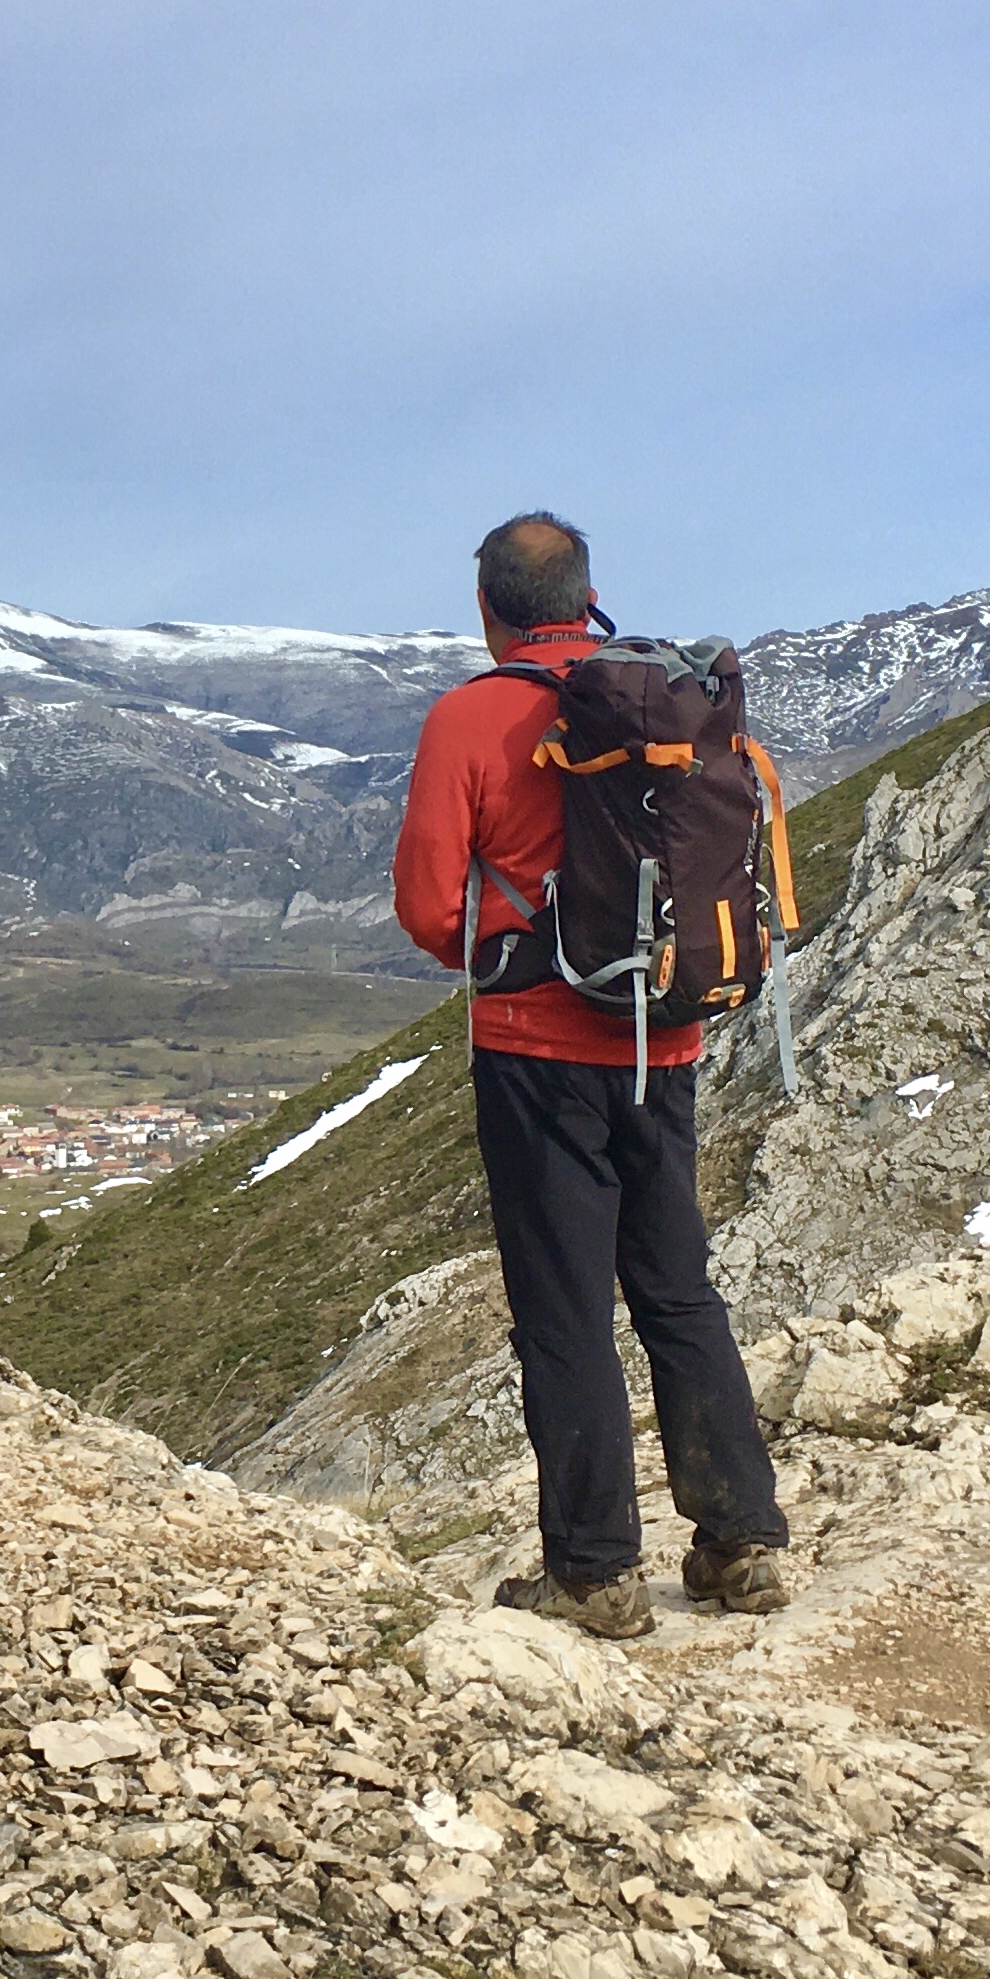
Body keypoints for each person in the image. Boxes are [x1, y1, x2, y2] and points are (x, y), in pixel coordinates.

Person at [390, 512, 792, 1638]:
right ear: (586, 596)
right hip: (665, 1035)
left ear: (488, 608)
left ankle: (595, 1570)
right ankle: (742, 1542)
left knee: (564, 1311)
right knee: (677, 1288)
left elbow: (427, 906)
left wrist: (512, 954)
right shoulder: (661, 699)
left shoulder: (471, 717)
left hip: (537, 1053)